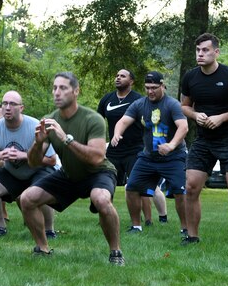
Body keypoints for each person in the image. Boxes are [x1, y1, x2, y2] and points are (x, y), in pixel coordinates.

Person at [20, 72, 124, 265]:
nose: (57, 93)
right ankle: (42, 248)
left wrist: (65, 138)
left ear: (76, 91)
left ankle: (115, 252)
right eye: (54, 88)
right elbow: (34, 162)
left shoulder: (93, 119)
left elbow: (97, 157)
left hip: (98, 172)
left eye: (63, 88)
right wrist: (37, 143)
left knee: (101, 200)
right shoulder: (49, 120)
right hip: (69, 175)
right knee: (27, 198)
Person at [180, 33, 228, 247]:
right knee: (191, 186)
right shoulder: (190, 77)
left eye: (205, 50)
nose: (200, 54)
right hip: (203, 140)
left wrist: (222, 117)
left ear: (216, 52)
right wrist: (196, 115)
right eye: (198, 50)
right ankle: (193, 236)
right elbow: (184, 106)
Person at [113, 71, 188, 237]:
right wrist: (117, 133)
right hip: (148, 157)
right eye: (147, 88)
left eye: (154, 88)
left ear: (162, 86)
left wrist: (171, 145)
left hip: (173, 157)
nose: (150, 91)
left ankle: (185, 228)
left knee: (179, 191)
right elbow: (123, 121)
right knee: (131, 187)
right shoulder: (140, 104)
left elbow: (183, 127)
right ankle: (136, 226)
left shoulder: (172, 104)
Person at [0, 90, 59, 239]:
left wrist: (25, 156)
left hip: (38, 170)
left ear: (21, 108)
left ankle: (49, 231)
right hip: (12, 172)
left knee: (42, 190)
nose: (8, 107)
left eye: (12, 104)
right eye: (5, 103)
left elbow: (52, 160)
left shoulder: (35, 126)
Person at [98, 69, 167, 224]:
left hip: (135, 149)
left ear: (131, 81)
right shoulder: (107, 99)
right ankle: (105, 216)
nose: (118, 78)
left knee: (141, 185)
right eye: (117, 75)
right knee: (105, 183)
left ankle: (151, 219)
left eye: (122, 76)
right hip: (114, 150)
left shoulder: (139, 100)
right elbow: (98, 122)